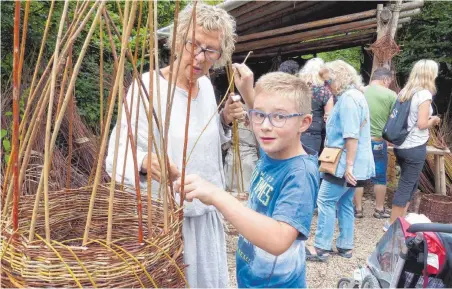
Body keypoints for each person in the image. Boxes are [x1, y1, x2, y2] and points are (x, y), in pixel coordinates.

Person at [106, 4, 244, 287]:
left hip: (205, 216)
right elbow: (116, 154)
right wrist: (145, 163)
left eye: (211, 50)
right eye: (193, 43)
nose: (199, 56)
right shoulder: (147, 88)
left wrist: (225, 121)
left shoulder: (206, 87)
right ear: (178, 40)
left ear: (220, 55)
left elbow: (204, 141)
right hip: (164, 221)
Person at [176, 71, 319, 288]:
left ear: (304, 123)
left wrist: (217, 195)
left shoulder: (300, 172)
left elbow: (279, 239)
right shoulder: (274, 149)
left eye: (280, 116)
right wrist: (246, 90)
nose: (266, 126)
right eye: (259, 115)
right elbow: (267, 121)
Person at [307, 60, 375, 262]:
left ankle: (321, 247)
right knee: (345, 202)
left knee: (325, 200)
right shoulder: (356, 96)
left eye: (328, 81)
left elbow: (351, 135)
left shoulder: (348, 99)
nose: (327, 86)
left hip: (343, 163)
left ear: (339, 77)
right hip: (354, 162)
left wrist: (349, 166)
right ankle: (345, 246)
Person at [385, 59, 441, 231]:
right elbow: (422, 123)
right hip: (414, 147)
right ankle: (393, 225)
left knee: (411, 183)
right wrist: (435, 120)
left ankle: (401, 222)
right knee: (406, 185)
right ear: (430, 74)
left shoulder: (405, 92)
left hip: (401, 146)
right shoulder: (424, 94)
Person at [353, 68, 397, 219]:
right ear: (385, 80)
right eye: (389, 82)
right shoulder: (391, 95)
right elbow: (394, 120)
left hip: (359, 141)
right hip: (378, 141)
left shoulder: (359, 92)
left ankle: (358, 209)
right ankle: (379, 209)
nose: (389, 85)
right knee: (380, 176)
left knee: (357, 175)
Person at [298, 58, 334, 155]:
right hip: (313, 135)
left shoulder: (296, 90)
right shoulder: (324, 92)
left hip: (294, 131)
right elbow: (329, 119)